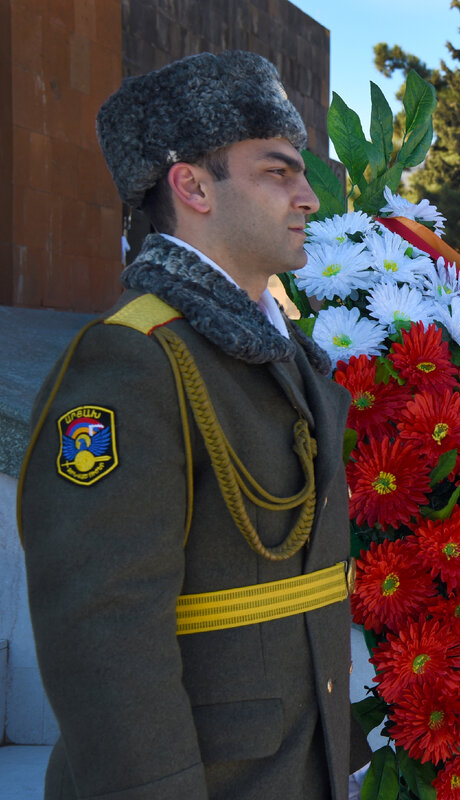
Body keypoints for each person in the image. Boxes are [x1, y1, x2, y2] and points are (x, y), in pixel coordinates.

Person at [18, 51, 354, 799]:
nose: (309, 198)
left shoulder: (276, 351)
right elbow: (105, 637)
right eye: (278, 173)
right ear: (193, 186)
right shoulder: (128, 362)